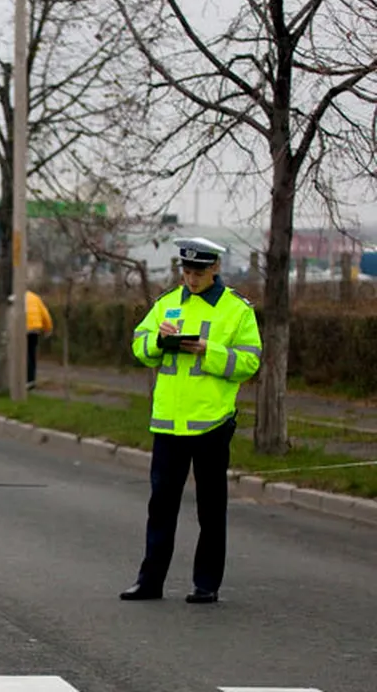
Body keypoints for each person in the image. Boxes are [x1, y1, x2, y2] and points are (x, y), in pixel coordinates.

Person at [119, 238, 262, 605]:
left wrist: (207, 350)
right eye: (186, 272)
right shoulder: (167, 303)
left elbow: (249, 362)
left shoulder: (236, 310)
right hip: (168, 424)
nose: (191, 279)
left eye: (198, 272)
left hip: (211, 424)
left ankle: (206, 584)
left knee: (210, 509)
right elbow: (139, 344)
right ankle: (149, 582)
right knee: (161, 507)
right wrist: (157, 341)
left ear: (215, 268)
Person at [24, 290, 54, 389]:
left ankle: (26, 379)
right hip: (35, 328)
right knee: (32, 354)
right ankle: (32, 379)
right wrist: (48, 328)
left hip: (23, 328)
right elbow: (44, 313)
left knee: (24, 355)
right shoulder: (35, 297)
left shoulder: (15, 298)